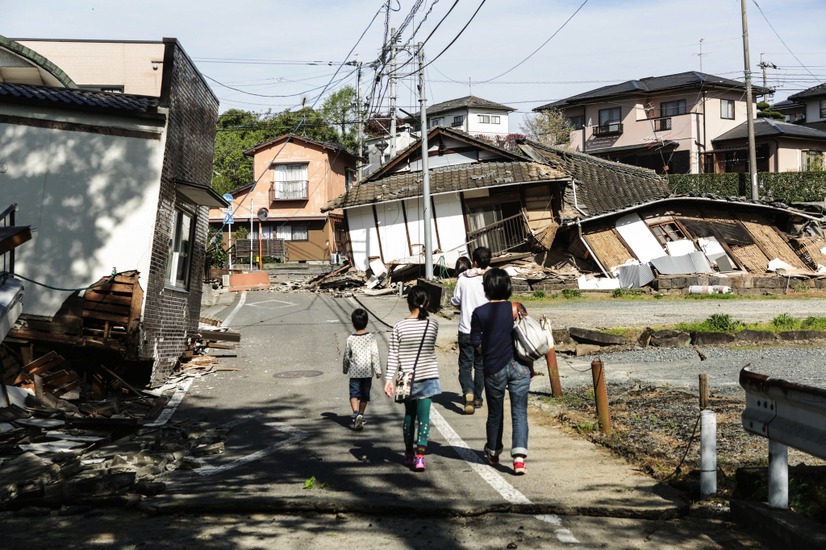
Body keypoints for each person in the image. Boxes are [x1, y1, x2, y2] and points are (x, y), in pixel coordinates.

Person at [470, 267, 535, 475]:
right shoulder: (517, 308)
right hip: (520, 367)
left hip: (494, 368)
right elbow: (528, 339)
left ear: (487, 288)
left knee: (495, 413)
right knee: (519, 412)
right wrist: (531, 368)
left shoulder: (479, 313)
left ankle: (494, 451)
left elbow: (476, 344)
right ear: (507, 286)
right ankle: (518, 459)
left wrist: (489, 347)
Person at [384, 285, 440, 472]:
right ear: (427, 303)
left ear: (408, 303)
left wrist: (388, 379)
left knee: (409, 416)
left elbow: (393, 355)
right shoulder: (433, 325)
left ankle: (408, 454)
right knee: (424, 417)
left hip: (404, 378)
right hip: (428, 376)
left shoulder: (399, 327)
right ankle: (420, 457)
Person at [450, 246, 491, 415]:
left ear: (474, 262)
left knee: (465, 365)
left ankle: (468, 391)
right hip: (485, 331)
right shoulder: (490, 279)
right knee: (481, 365)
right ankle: (478, 398)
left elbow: (455, 300)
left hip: (466, 329)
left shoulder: (463, 279)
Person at [342, 308, 382, 430]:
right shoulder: (371, 337)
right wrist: (378, 370)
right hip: (367, 373)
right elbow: (374, 354)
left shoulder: (350, 339)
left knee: (353, 394)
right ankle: (361, 414)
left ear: (353, 323)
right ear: (366, 322)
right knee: (364, 396)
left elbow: (346, 356)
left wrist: (345, 369)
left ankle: (355, 414)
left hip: (354, 372)